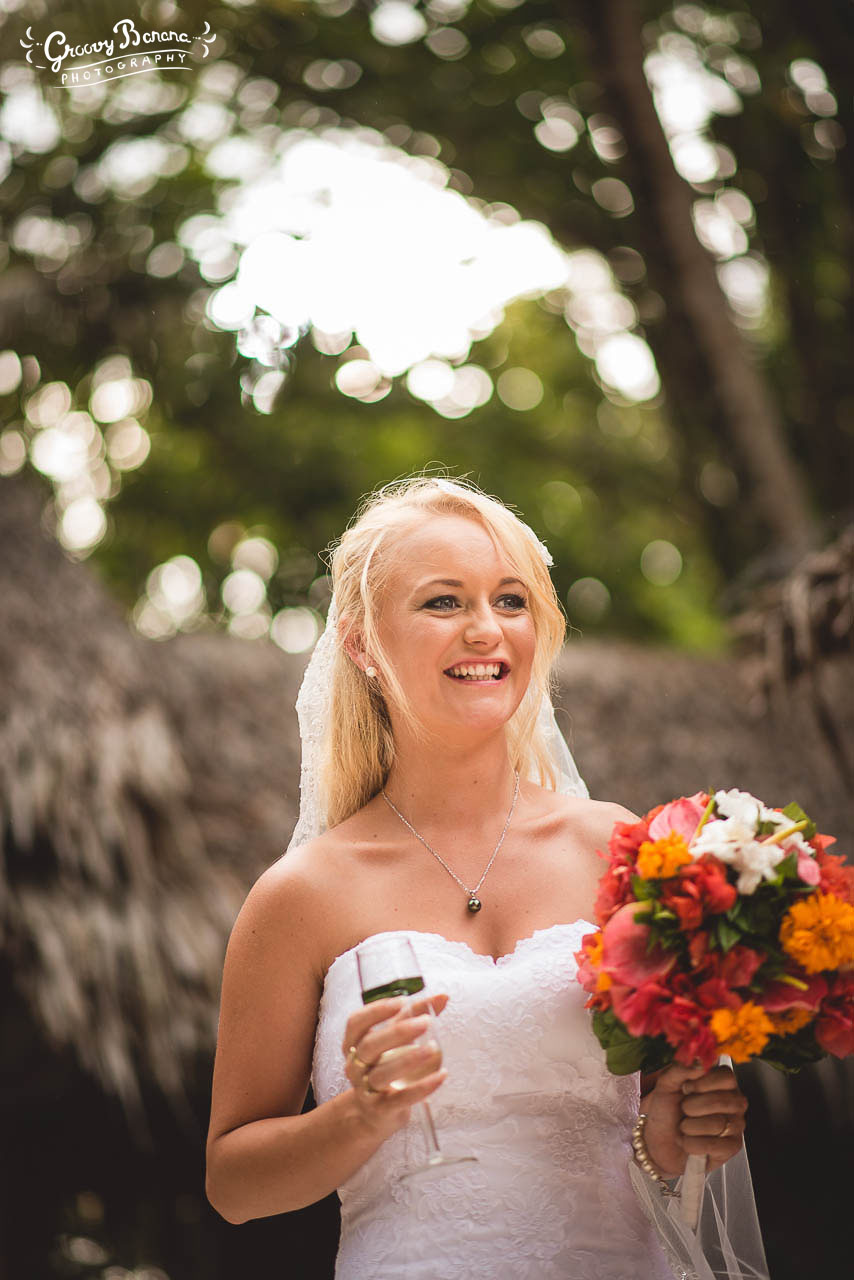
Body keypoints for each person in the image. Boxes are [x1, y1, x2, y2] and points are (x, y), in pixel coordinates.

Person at [206, 474, 766, 1279]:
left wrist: (673, 1136)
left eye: (510, 601)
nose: (485, 631)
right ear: (361, 643)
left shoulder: (622, 850)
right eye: (443, 602)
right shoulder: (302, 895)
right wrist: (359, 1116)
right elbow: (232, 1183)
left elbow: (654, 1139)